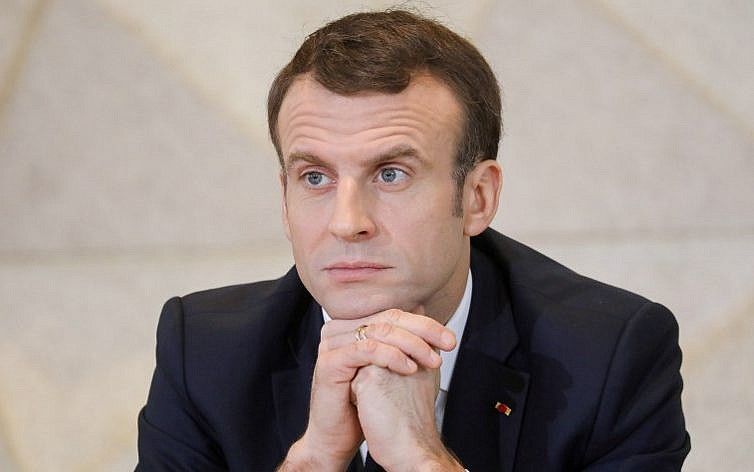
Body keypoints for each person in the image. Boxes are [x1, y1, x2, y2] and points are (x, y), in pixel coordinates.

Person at [137, 9, 690, 471]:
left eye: (391, 174)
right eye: (315, 178)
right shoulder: (205, 354)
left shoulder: (609, 357)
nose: (347, 222)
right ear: (284, 200)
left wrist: (422, 458)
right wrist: (315, 457)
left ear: (477, 197)